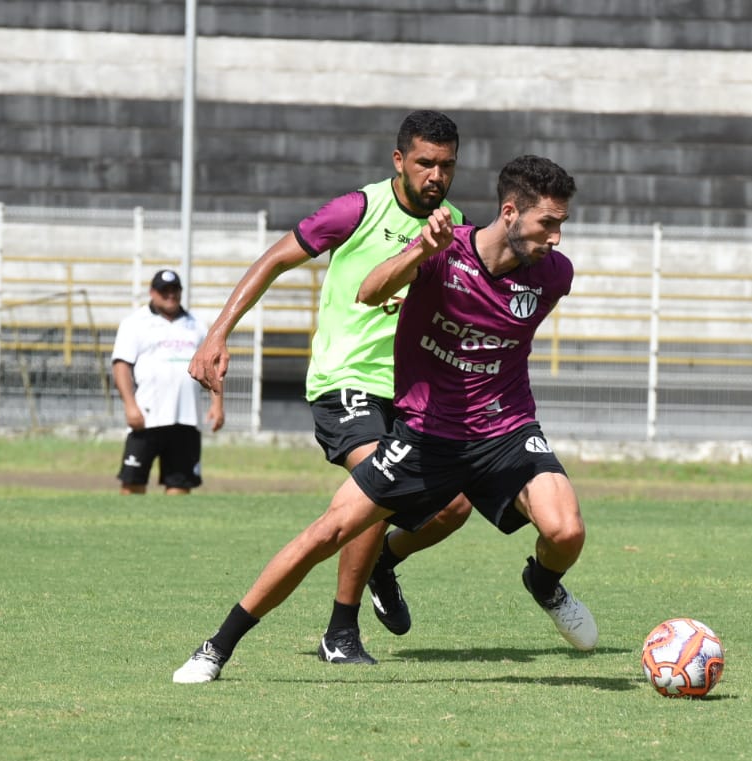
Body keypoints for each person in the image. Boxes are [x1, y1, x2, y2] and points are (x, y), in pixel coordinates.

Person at [173, 154, 597, 684]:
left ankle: (544, 583)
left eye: (561, 224)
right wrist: (423, 250)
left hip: (504, 431)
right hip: (427, 435)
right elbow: (369, 292)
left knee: (567, 531)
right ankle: (217, 646)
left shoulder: (555, 275)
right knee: (329, 532)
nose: (557, 237)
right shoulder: (445, 252)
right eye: (548, 223)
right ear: (509, 213)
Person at [186, 110, 473, 664]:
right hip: (347, 382)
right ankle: (341, 632)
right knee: (378, 487)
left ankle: (384, 562)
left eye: (447, 165)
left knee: (457, 505)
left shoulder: (455, 222)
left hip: (415, 394)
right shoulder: (359, 209)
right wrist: (218, 333)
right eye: (425, 163)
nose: (436, 175)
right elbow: (274, 259)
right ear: (400, 161)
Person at [111, 269, 223, 495]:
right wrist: (130, 405)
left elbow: (212, 365)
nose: (170, 295)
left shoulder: (196, 325)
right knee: (133, 483)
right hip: (147, 416)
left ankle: (172, 528)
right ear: (152, 292)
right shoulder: (135, 323)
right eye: (164, 291)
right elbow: (121, 365)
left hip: (186, 417)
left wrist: (217, 404)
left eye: (175, 290)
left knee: (180, 486)